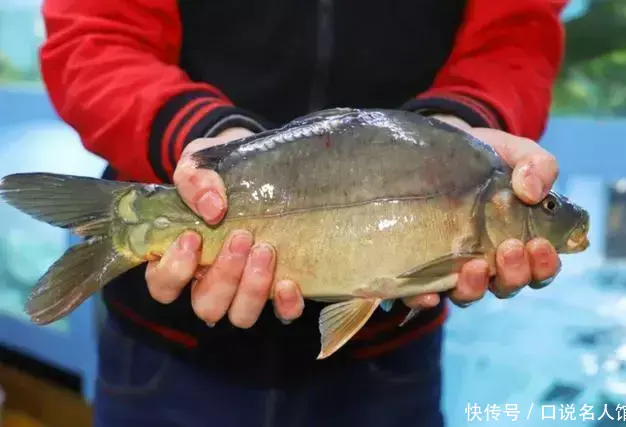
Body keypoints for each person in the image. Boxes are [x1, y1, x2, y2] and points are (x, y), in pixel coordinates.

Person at [39, 0, 568, 425]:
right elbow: (94, 36)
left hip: (389, 364)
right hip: (168, 353)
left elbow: (516, 35)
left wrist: (458, 130)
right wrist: (205, 140)